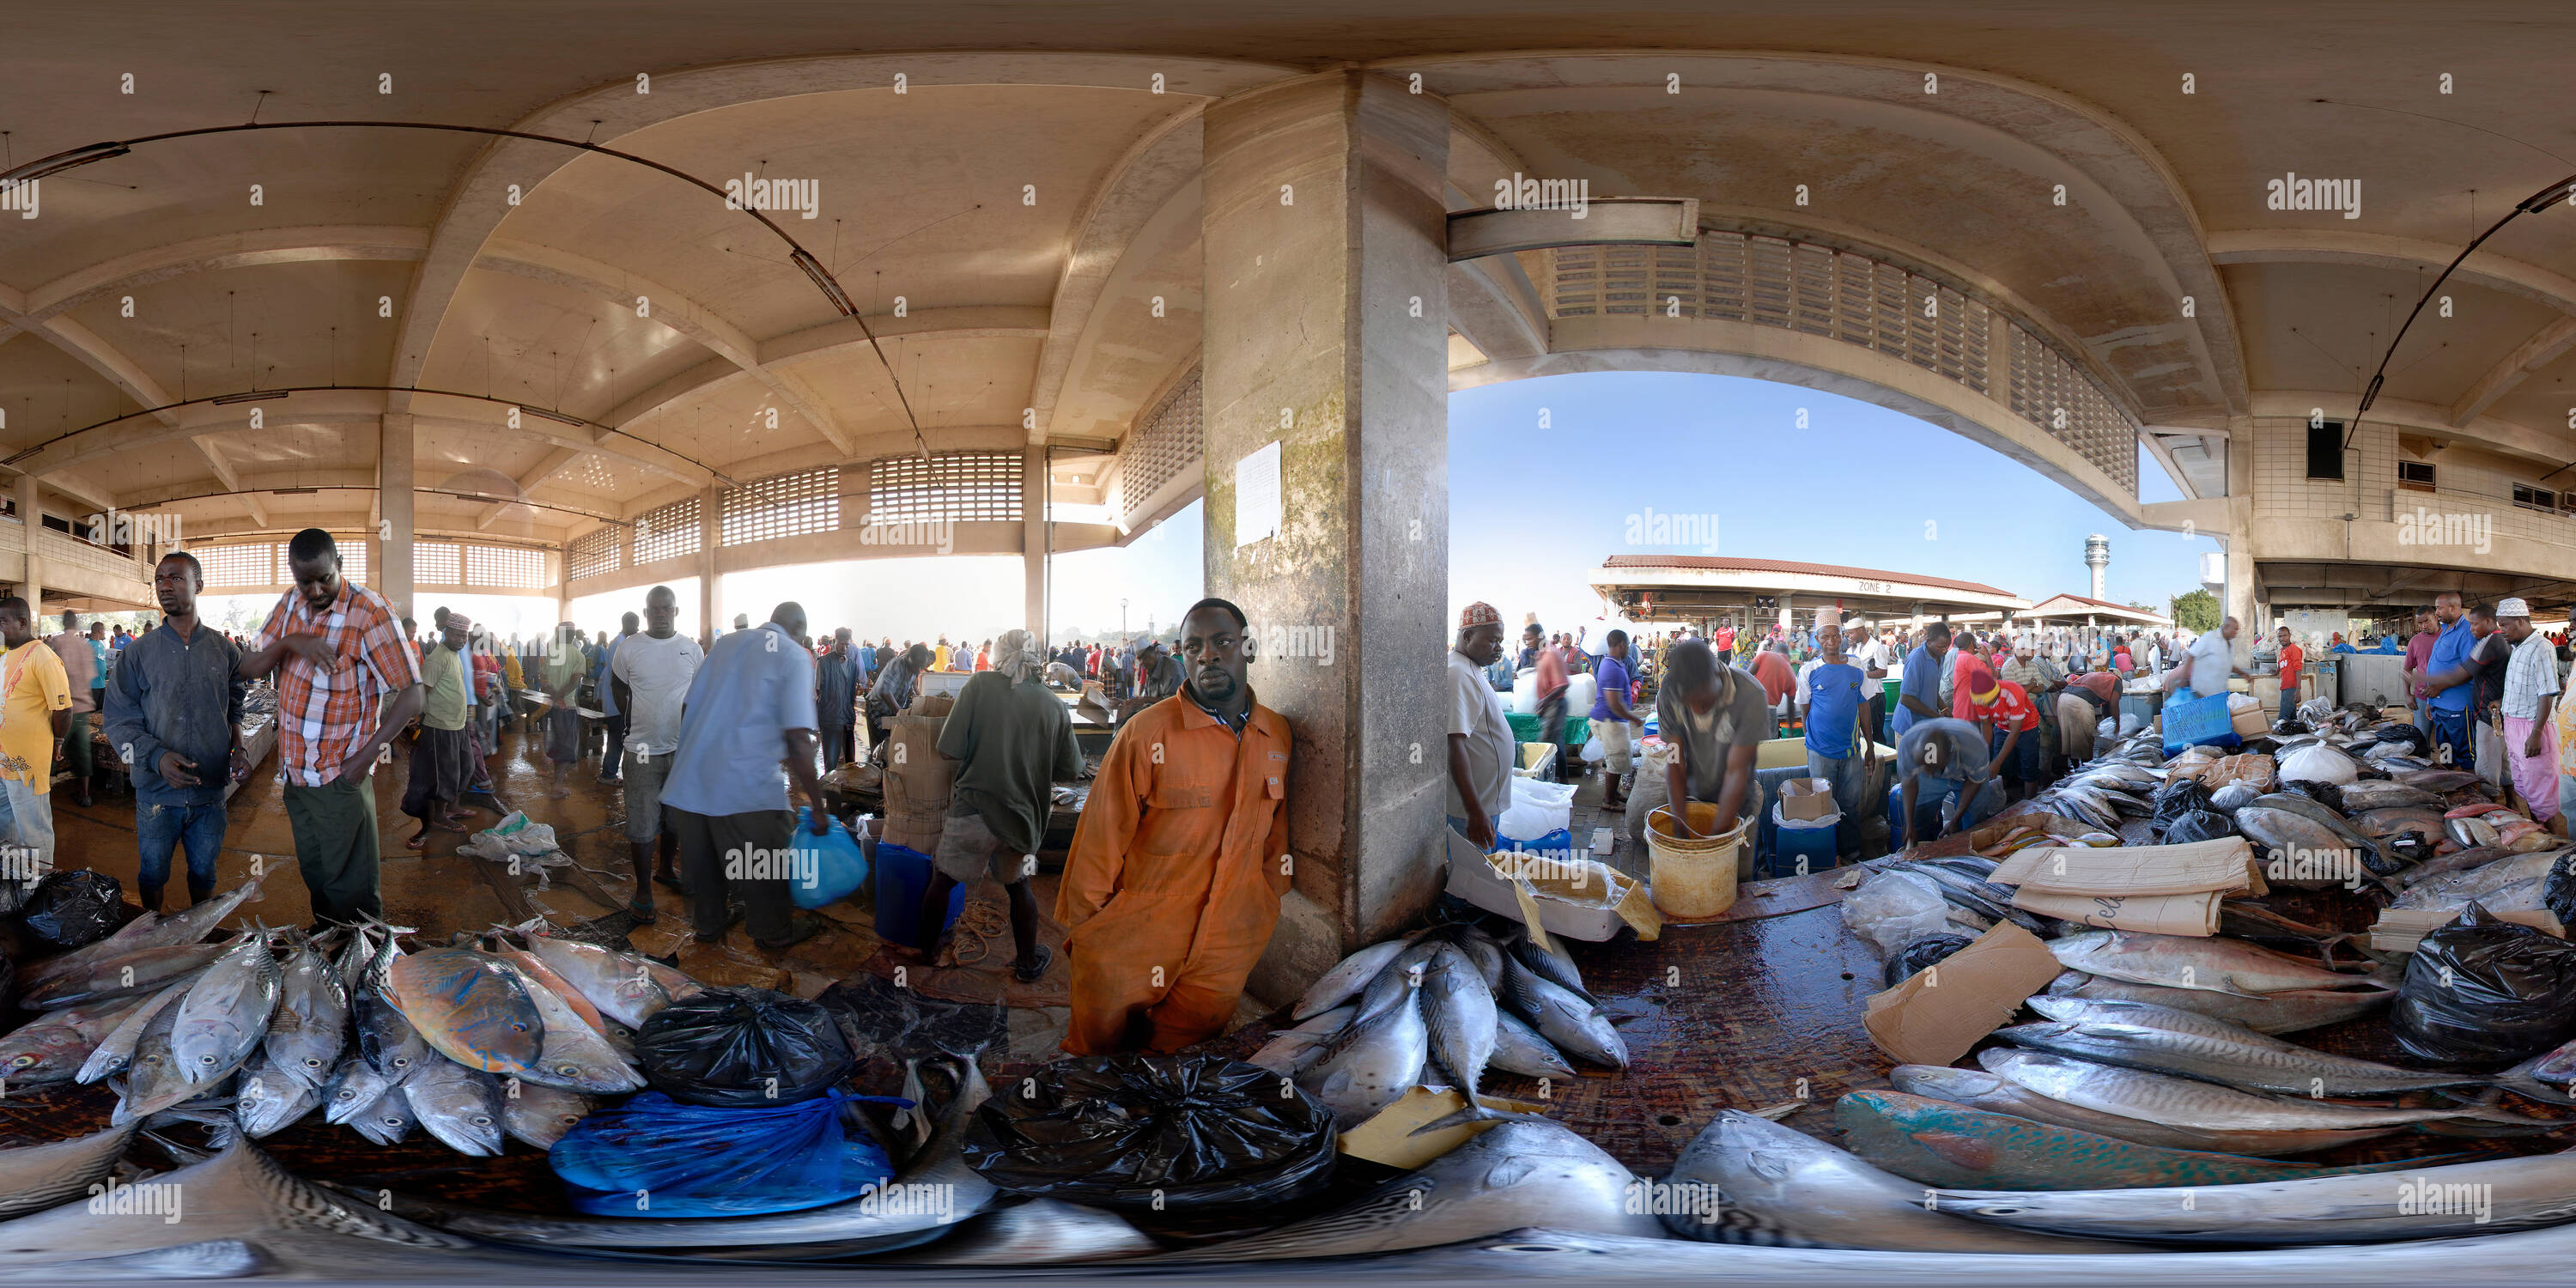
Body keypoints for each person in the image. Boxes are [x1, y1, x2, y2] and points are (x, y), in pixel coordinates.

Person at [1058, 598, 1289, 1054]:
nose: (1207, 655)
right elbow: (1100, 839)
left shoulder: (1277, 735)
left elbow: (1276, 837)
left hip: (1227, 946)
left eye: (1222, 642)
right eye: (1193, 646)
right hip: (1133, 939)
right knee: (1096, 1065)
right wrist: (1093, 936)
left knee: (1179, 1070)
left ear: (1248, 648)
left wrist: (1264, 899)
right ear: (1181, 655)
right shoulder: (1147, 735)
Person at [237, 529, 424, 926]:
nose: (317, 589)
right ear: (293, 575)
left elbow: (412, 695)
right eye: (306, 581)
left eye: (326, 577)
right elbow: (249, 666)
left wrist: (363, 761)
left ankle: (361, 965)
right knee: (317, 875)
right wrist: (293, 641)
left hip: (340, 776)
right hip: (296, 775)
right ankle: (328, 949)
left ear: (339, 564)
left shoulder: (369, 611)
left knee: (352, 888)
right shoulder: (290, 604)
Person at [659, 601, 832, 951]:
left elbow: (687, 705)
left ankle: (708, 926)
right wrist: (818, 804)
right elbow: (799, 740)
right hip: (745, 788)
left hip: (689, 782)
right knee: (767, 864)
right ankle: (773, 933)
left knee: (704, 865)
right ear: (800, 631)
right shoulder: (795, 656)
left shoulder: (727, 644)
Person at [910, 629, 1079, 982]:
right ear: (1036, 658)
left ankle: (928, 952)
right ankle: (1027, 963)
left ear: (998, 654)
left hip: (973, 808)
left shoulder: (977, 686)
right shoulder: (1053, 704)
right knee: (1018, 887)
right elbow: (1070, 770)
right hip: (1021, 820)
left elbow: (948, 749)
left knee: (942, 880)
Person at [105, 554, 249, 911]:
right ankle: (154, 932)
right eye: (159, 579)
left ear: (199, 585)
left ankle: (200, 933)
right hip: (156, 796)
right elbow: (118, 721)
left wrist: (239, 749)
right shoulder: (137, 655)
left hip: (209, 791)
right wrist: (156, 757)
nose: (165, 586)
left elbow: (234, 708)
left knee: (204, 872)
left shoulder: (224, 650)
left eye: (176, 578)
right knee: (153, 873)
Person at [611, 586, 704, 922]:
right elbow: (618, 686)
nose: (661, 614)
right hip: (641, 751)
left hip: (680, 750)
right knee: (641, 823)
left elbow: (697, 695)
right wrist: (632, 720)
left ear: (676, 611)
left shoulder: (692, 649)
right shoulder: (629, 648)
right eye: (655, 609)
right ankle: (643, 891)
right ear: (647, 612)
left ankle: (666, 869)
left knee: (675, 819)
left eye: (667, 608)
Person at [1655, 638, 1767, 841]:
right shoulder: (1669, 692)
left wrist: (1711, 841)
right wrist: (1681, 829)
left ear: (1718, 674)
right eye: (1690, 703)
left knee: (1737, 867)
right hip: (1691, 798)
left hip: (1737, 806)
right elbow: (1674, 763)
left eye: (1704, 700)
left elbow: (1736, 772)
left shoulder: (1750, 695)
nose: (1699, 709)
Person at [0, 598, 71, 876]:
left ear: (22, 623)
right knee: (7, 821)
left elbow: (63, 709)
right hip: (4, 758)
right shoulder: (6, 657)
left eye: (3, 622)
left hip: (26, 762)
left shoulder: (43, 656)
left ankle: (39, 885)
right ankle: (14, 878)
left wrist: (57, 741)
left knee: (32, 826)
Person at [400, 611, 477, 852]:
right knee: (436, 778)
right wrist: (412, 721)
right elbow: (423, 692)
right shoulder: (438, 657)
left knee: (466, 768)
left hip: (457, 726)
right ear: (446, 632)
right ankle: (435, 820)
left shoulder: (454, 655)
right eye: (457, 634)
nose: (461, 639)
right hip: (439, 728)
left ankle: (449, 808)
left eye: (464, 635)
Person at [1799, 622, 1874, 860]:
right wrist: (1810, 738)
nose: (1830, 641)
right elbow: (1805, 710)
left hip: (1851, 750)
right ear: (1817, 639)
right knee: (1822, 805)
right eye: (1825, 637)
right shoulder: (1808, 670)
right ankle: (1825, 855)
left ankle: (1850, 853)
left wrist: (1870, 746)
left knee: (1850, 806)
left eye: (1835, 636)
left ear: (1843, 637)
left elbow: (1864, 707)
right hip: (1820, 751)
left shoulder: (1856, 666)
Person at [1446, 604, 1516, 849]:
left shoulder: (1470, 668)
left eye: (1500, 641)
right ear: (1467, 636)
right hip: (1470, 812)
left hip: (1482, 804)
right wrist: (1474, 811)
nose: (1499, 648)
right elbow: (1454, 744)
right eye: (1493, 640)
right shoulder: (1457, 673)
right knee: (1469, 881)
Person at [2494, 599, 2561, 828]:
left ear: (2520, 621)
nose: (2501, 630)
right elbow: (2526, 689)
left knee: (2540, 792)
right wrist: (2501, 703)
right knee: (2527, 787)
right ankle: (2539, 834)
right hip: (2515, 726)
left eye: (2504, 625)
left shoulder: (2541, 647)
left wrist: (2537, 733)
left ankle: (2552, 843)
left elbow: (2546, 694)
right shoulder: (2517, 648)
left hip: (2532, 727)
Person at [1893, 715, 2002, 848]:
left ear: (1950, 754)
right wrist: (1909, 823)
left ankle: (1969, 855)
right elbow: (1909, 782)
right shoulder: (1908, 744)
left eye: (1935, 769)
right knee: (1919, 817)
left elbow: (1974, 782)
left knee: (1974, 822)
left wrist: (1955, 819)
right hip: (1931, 774)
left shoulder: (1974, 745)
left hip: (1967, 777)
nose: (1933, 774)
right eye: (1928, 769)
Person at [1963, 661, 2041, 803]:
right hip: (2002, 728)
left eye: (1987, 701)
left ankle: (2031, 803)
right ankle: (2000, 801)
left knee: (2028, 767)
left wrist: (1997, 761)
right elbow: (1986, 725)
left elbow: (2015, 732)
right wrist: (1985, 754)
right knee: (2000, 768)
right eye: (1982, 702)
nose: (1984, 705)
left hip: (2027, 728)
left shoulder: (2014, 692)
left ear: (1995, 693)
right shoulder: (1979, 699)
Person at [2416, 592, 2476, 769]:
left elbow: (2469, 669)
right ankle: (2450, 782)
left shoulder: (2467, 632)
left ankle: (2470, 792)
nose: (2436, 612)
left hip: (2457, 708)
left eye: (2439, 608)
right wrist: (2430, 701)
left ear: (2453, 607)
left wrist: (2439, 688)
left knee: (2466, 754)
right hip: (2439, 707)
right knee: (2445, 750)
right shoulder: (2446, 630)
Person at [44, 610, 95, 809]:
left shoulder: (56, 643)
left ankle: (43, 798)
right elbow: (90, 675)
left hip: (62, 709)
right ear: (76, 623)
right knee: (83, 754)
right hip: (83, 708)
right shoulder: (85, 646)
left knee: (52, 753)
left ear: (63, 622)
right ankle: (85, 795)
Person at [1592, 629, 1640, 811]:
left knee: (1621, 759)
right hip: (1610, 720)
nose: (1628, 647)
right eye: (1627, 644)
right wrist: (1633, 718)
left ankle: (1614, 794)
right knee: (1615, 760)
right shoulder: (1611, 667)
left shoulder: (1616, 663)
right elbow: (1613, 702)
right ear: (1621, 644)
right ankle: (1609, 800)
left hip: (1615, 720)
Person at [539, 623, 586, 799]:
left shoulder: (549, 653)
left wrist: (554, 696)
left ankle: (557, 777)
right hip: (566, 706)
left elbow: (543, 680)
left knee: (555, 742)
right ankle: (558, 785)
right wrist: (561, 697)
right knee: (567, 745)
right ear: (573, 636)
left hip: (551, 706)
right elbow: (574, 682)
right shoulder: (578, 655)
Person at [597, 612, 638, 786]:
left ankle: (609, 771)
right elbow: (621, 676)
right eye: (635, 625)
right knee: (617, 739)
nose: (637, 629)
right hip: (617, 701)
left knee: (617, 738)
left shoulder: (619, 643)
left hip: (615, 700)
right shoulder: (619, 645)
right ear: (627, 624)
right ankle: (608, 774)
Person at [867, 642, 933, 750]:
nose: (918, 671)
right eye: (917, 667)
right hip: (878, 709)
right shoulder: (896, 665)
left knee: (894, 747)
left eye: (921, 667)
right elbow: (885, 692)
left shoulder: (913, 666)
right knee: (881, 749)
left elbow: (908, 685)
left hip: (892, 711)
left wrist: (914, 697)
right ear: (909, 659)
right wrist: (901, 713)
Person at [1894, 621, 1951, 738]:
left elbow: (1931, 689)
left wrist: (1943, 707)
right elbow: (1906, 698)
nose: (1945, 650)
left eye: (1947, 646)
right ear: (1929, 641)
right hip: (1909, 726)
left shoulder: (1941, 656)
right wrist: (1936, 716)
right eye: (1941, 647)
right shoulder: (1916, 658)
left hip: (1925, 724)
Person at [815, 628, 860, 774]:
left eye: (847, 645)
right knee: (831, 762)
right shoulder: (823, 662)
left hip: (847, 717)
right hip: (830, 717)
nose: (844, 648)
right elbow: (818, 690)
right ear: (835, 642)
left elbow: (852, 692)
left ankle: (847, 794)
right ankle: (831, 794)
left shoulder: (853, 665)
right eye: (841, 644)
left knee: (850, 763)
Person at [2178, 617, 2250, 701]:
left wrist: (2243, 674)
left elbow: (2227, 665)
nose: (2236, 632)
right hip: (2202, 692)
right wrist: (2183, 677)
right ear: (2226, 627)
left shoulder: (2230, 643)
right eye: (2234, 629)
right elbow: (2191, 655)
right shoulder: (2210, 637)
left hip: (2219, 692)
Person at [2402, 606, 2439, 730]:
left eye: (2426, 621)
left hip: (2446, 697)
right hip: (2422, 697)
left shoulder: (2447, 637)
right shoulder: (2415, 641)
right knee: (2422, 737)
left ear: (2435, 617)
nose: (2423, 626)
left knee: (2447, 741)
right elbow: (2407, 669)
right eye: (2420, 623)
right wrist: (2407, 694)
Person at [2273, 626, 2305, 726]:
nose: (2282, 638)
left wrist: (2298, 690)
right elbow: (2282, 665)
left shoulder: (2294, 649)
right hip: (2285, 686)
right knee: (2292, 718)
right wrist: (2275, 672)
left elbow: (2298, 669)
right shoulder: (2283, 650)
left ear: (2289, 636)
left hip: (2291, 688)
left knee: (2282, 719)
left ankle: (2279, 737)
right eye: (2280, 636)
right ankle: (2294, 737)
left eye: (2285, 635)